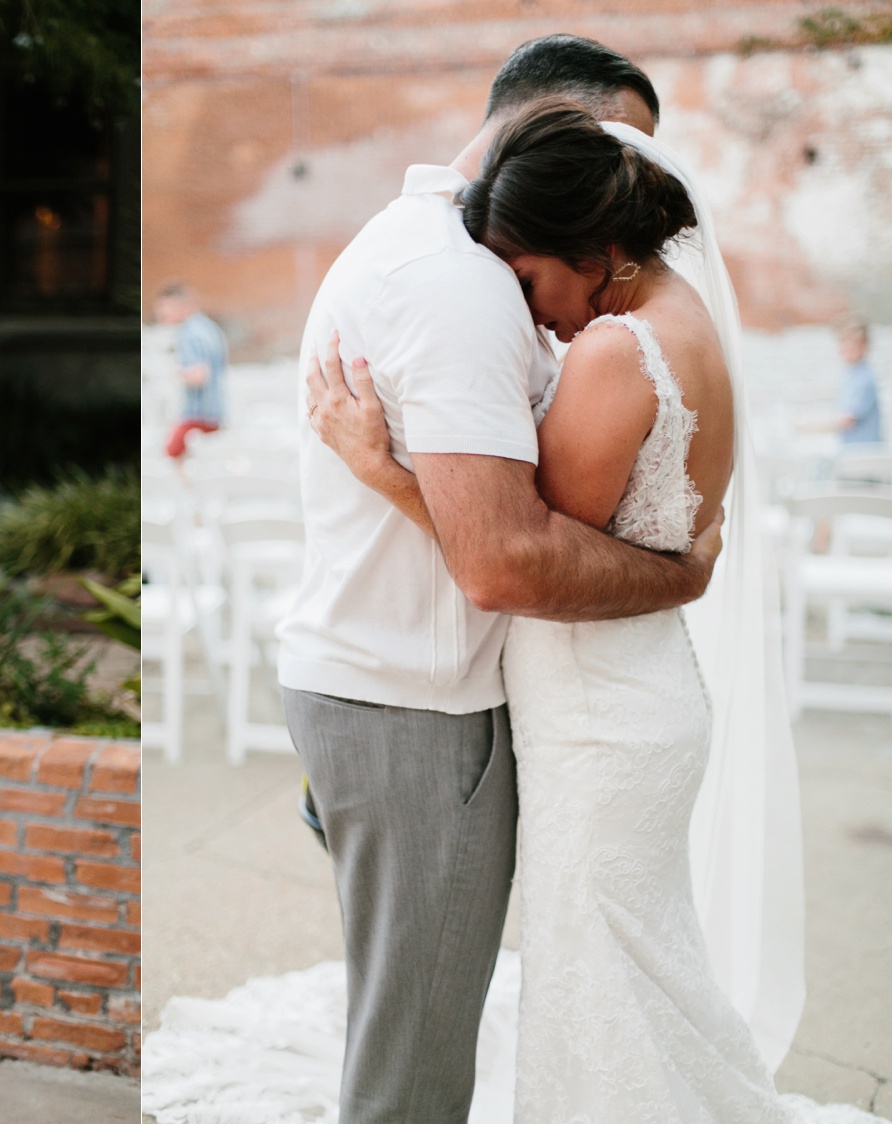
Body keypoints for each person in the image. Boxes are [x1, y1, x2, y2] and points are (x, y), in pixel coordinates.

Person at [308, 103, 882, 1122]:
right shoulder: (685, 327)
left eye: (531, 281)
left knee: (602, 970)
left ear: (600, 251)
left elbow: (523, 554)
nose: (532, 314)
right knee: (631, 965)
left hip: (599, 710)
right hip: (629, 691)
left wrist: (383, 468)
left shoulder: (618, 352)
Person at [268, 36, 735, 1124]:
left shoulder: (533, 295)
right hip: (416, 706)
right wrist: (681, 578)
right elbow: (503, 556)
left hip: (515, 701)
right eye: (606, 150)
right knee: (422, 1061)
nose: (627, 192)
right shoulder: (459, 280)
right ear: (548, 129)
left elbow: (521, 537)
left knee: (567, 986)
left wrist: (384, 470)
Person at [154, 280, 228, 458]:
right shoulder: (209, 327)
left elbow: (199, 376)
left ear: (182, 306)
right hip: (216, 412)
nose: (161, 313)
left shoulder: (188, 333)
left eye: (166, 307)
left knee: (170, 452)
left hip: (197, 414)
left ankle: (185, 486)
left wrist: (172, 373)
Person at [833, 317, 882, 446]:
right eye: (845, 343)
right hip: (850, 449)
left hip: (863, 453)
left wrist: (811, 427)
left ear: (864, 345)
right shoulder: (850, 374)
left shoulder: (865, 378)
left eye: (854, 344)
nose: (848, 349)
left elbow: (848, 420)